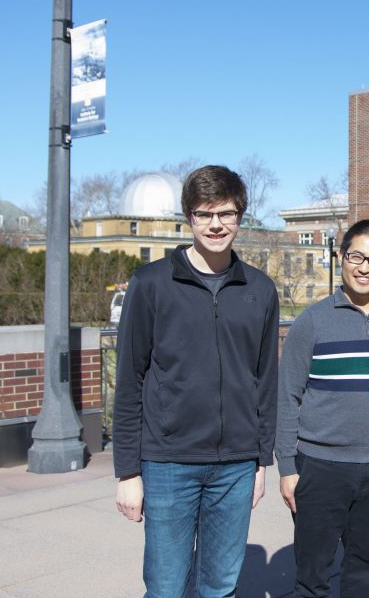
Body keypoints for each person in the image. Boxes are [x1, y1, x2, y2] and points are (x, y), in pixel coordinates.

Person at [112, 165, 280, 597]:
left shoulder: (259, 290)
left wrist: (261, 460)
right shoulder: (150, 285)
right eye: (205, 214)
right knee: (166, 587)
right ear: (189, 217)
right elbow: (130, 380)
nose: (216, 224)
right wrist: (127, 471)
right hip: (168, 463)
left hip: (236, 466)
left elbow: (264, 380)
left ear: (240, 216)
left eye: (226, 213)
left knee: (220, 586)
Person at [275, 219, 369, 598]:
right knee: (312, 576)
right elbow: (287, 396)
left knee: (365, 574)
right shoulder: (312, 321)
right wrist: (287, 468)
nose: (365, 267)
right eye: (356, 255)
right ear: (341, 257)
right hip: (318, 467)